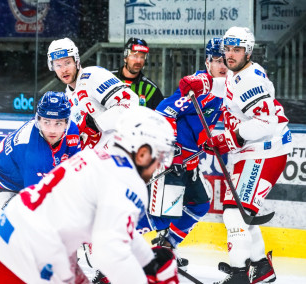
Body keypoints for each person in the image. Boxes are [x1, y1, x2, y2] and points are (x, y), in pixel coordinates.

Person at [0, 106, 179, 284]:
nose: (157, 167)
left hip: (13, 232)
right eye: (160, 157)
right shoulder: (128, 180)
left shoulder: (94, 157)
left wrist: (148, 260)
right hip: (33, 254)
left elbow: (119, 230)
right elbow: (109, 253)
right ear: (143, 154)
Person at [178, 27, 292, 284]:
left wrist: (225, 139)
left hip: (265, 151)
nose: (230, 55)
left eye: (236, 50)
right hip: (251, 152)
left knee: (234, 214)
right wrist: (204, 83)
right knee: (243, 213)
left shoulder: (251, 78)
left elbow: (265, 122)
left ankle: (240, 274)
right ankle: (261, 268)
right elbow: (226, 86)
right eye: (227, 50)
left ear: (248, 51)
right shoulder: (237, 73)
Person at [135, 37, 227, 270]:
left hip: (190, 163)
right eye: (216, 60)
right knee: (165, 216)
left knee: (199, 206)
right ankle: (116, 240)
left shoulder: (225, 90)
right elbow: (164, 110)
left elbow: (201, 124)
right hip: (173, 161)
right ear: (207, 62)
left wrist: (205, 142)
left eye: (225, 60)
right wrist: (173, 144)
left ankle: (166, 247)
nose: (222, 65)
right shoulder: (201, 84)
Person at [0, 91, 80, 229]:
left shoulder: (72, 130)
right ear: (38, 120)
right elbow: (36, 207)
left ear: (67, 122)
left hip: (16, 179)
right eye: (47, 122)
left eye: (58, 123)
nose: (52, 130)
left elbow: (74, 174)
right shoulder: (34, 152)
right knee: (15, 236)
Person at [47, 37, 140, 149]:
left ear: (76, 61)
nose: (63, 70)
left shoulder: (93, 76)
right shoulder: (68, 95)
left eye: (67, 63)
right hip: (98, 160)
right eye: (58, 65)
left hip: (122, 152)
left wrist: (96, 124)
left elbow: (130, 103)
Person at [112, 37, 164, 110]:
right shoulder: (108, 77)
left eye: (142, 57)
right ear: (125, 57)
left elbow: (160, 117)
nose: (139, 61)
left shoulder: (150, 89)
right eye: (134, 56)